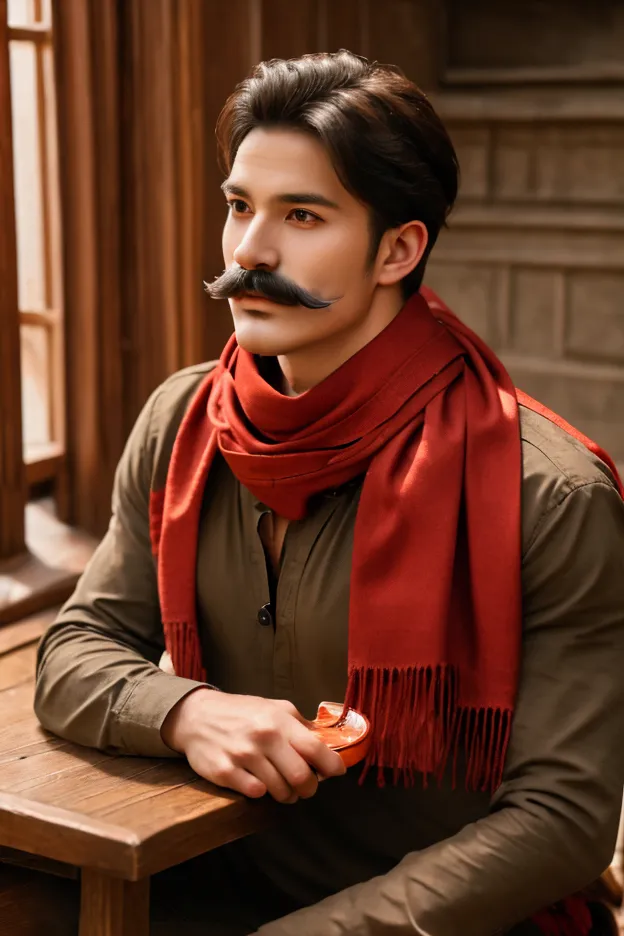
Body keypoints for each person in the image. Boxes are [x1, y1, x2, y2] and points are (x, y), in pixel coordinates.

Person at [34, 50, 624, 936]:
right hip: (207, 884)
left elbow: (564, 823)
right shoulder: (180, 423)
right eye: (239, 207)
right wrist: (186, 709)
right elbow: (76, 649)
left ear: (399, 248)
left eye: (301, 215)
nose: (249, 250)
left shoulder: (550, 494)